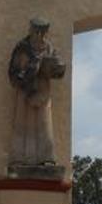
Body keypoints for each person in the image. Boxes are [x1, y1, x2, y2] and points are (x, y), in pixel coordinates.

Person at [7, 17, 66, 168]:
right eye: (37, 32)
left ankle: (46, 157)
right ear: (32, 30)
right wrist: (28, 70)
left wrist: (54, 67)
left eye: (43, 33)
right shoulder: (22, 47)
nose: (40, 36)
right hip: (25, 90)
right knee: (22, 121)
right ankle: (19, 158)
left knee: (44, 122)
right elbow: (13, 71)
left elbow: (58, 65)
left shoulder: (48, 47)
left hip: (42, 90)